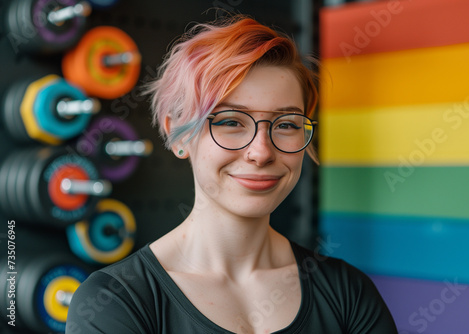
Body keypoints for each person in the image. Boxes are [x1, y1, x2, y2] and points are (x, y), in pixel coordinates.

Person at [66, 15, 397, 334]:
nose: (262, 152)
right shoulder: (116, 302)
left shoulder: (349, 293)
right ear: (179, 135)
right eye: (230, 122)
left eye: (285, 125)